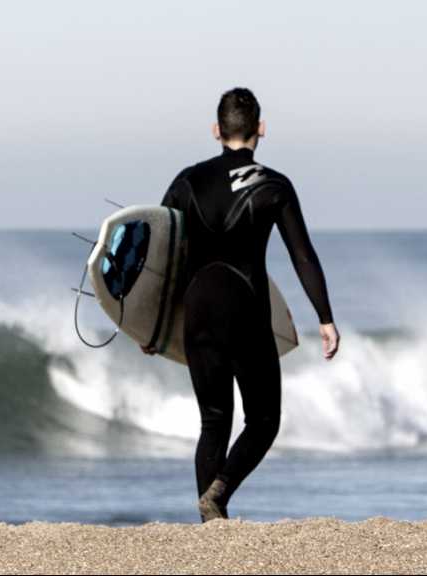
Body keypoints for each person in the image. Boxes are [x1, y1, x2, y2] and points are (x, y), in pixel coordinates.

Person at [142, 87, 340, 521]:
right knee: (264, 419)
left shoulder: (186, 180)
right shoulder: (274, 185)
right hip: (245, 308)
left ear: (216, 130)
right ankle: (220, 493)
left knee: (213, 421)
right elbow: (302, 255)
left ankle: (211, 525)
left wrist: (151, 322)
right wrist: (325, 318)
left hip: (196, 310)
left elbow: (161, 254)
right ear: (261, 130)